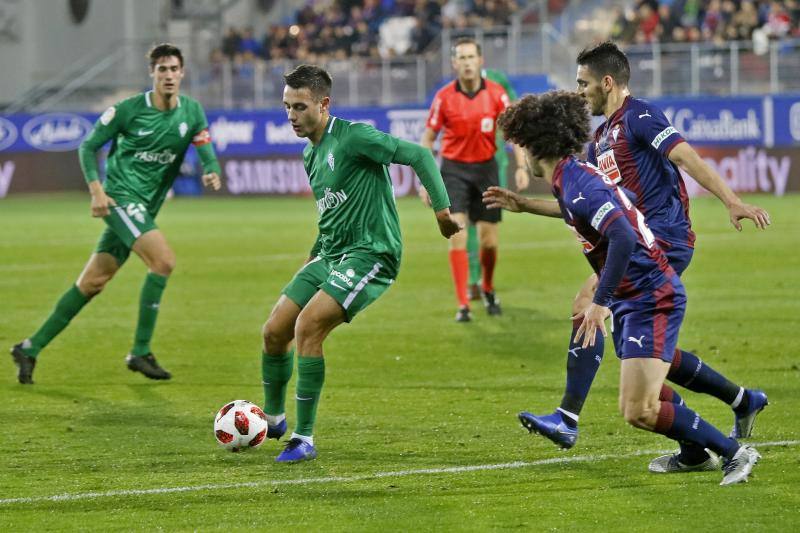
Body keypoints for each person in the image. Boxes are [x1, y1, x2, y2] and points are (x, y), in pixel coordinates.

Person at [502, 42, 770, 474]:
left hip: (663, 237)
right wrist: (523, 203)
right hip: (641, 239)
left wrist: (731, 200)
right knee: (640, 350)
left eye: (582, 83)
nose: (579, 92)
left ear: (607, 82)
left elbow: (683, 155)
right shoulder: (599, 137)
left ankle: (570, 416)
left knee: (591, 304)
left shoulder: (639, 116)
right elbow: (580, 203)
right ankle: (736, 405)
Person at [261, 65, 460, 463]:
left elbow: (419, 155)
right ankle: (274, 417)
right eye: (286, 107)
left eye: (300, 107)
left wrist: (441, 212)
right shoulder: (309, 152)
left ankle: (304, 437)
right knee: (274, 331)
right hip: (330, 253)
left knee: (308, 327)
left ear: (324, 103)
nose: (292, 116)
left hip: (372, 252)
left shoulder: (354, 137)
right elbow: (329, 213)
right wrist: (313, 257)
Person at [9, 43, 222, 384]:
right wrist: (97, 191)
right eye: (161, 69)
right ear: (151, 73)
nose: (168, 75)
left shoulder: (192, 111)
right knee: (163, 261)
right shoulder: (128, 110)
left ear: (182, 73)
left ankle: (30, 347)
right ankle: (140, 351)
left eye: (173, 69)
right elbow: (88, 145)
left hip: (145, 207)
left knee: (92, 282)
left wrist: (211, 169)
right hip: (120, 198)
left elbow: (205, 147)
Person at [420, 37, 529, 322]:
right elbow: (428, 140)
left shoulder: (496, 94)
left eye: (471, 58)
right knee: (456, 234)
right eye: (461, 58)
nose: (467, 63)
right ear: (454, 63)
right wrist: (425, 181)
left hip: (486, 169)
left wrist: (520, 166)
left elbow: (512, 133)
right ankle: (463, 304)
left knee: (489, 241)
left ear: (480, 61)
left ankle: (488, 287)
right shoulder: (443, 97)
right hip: (454, 170)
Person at [465, 67, 519, 301]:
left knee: (487, 229)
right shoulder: (457, 88)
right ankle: (474, 280)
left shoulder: (498, 81)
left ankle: (482, 281)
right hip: (465, 162)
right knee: (467, 221)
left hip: (493, 161)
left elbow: (512, 117)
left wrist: (521, 163)